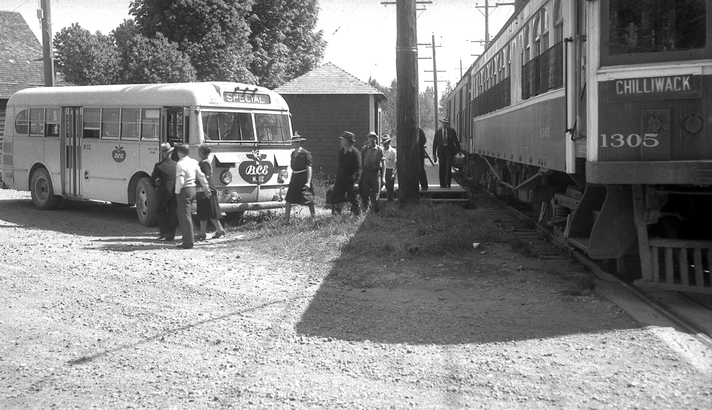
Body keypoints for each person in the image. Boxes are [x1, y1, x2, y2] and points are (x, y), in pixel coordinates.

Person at [174, 143, 210, 249]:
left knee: (184, 216)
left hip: (184, 190)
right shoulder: (194, 162)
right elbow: (201, 176)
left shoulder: (180, 164)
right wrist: (206, 188)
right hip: (193, 189)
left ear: (179, 153)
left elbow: (180, 179)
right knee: (187, 214)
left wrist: (177, 191)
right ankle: (189, 237)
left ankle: (188, 242)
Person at [196, 144, 226, 241]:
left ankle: (219, 229)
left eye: (199, 150)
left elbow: (206, 176)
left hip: (207, 190)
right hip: (203, 190)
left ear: (202, 152)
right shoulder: (204, 162)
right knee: (202, 212)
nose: (198, 152)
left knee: (210, 212)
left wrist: (197, 181)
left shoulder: (204, 163)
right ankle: (202, 232)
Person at [285, 133, 316, 224]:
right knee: (289, 199)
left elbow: (309, 168)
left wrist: (308, 182)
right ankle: (286, 221)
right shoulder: (292, 154)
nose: (292, 143)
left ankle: (314, 218)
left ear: (299, 143)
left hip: (303, 178)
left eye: (294, 142)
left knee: (308, 198)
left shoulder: (306, 154)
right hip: (295, 178)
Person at [150, 143, 178, 241]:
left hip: (163, 192)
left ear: (163, 154)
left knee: (161, 210)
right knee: (172, 212)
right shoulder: (176, 165)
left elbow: (152, 180)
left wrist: (156, 185)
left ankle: (164, 232)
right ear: (171, 152)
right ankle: (171, 235)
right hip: (174, 192)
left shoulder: (159, 166)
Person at [329, 131, 361, 215]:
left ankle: (357, 216)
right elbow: (339, 167)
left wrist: (356, 182)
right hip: (341, 179)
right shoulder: (341, 152)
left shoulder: (355, 153)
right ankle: (336, 216)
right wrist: (336, 180)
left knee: (353, 198)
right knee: (334, 196)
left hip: (350, 180)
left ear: (347, 141)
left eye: (342, 140)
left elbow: (358, 169)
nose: (341, 141)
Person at [359, 132, 385, 213]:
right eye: (370, 138)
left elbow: (383, 163)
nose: (372, 140)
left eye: (373, 138)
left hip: (375, 174)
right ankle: (365, 210)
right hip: (365, 173)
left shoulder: (380, 150)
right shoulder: (364, 149)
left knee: (375, 194)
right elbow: (361, 161)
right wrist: (359, 174)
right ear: (368, 139)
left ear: (376, 139)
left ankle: (374, 212)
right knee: (364, 193)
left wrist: (383, 177)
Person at [432, 118, 461, 188]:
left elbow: (456, 141)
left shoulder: (452, 131)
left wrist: (458, 151)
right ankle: (442, 184)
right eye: (442, 123)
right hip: (441, 152)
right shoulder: (438, 133)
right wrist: (434, 154)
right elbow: (435, 144)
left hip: (449, 152)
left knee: (448, 167)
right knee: (442, 167)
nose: (443, 124)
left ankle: (448, 183)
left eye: (445, 123)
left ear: (447, 124)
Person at [382, 134, 397, 202]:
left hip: (390, 170)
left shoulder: (393, 152)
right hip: (381, 170)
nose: (384, 145)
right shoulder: (380, 150)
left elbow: (396, 164)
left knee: (390, 190)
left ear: (389, 142)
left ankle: (390, 205)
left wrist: (394, 174)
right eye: (383, 143)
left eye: (386, 143)